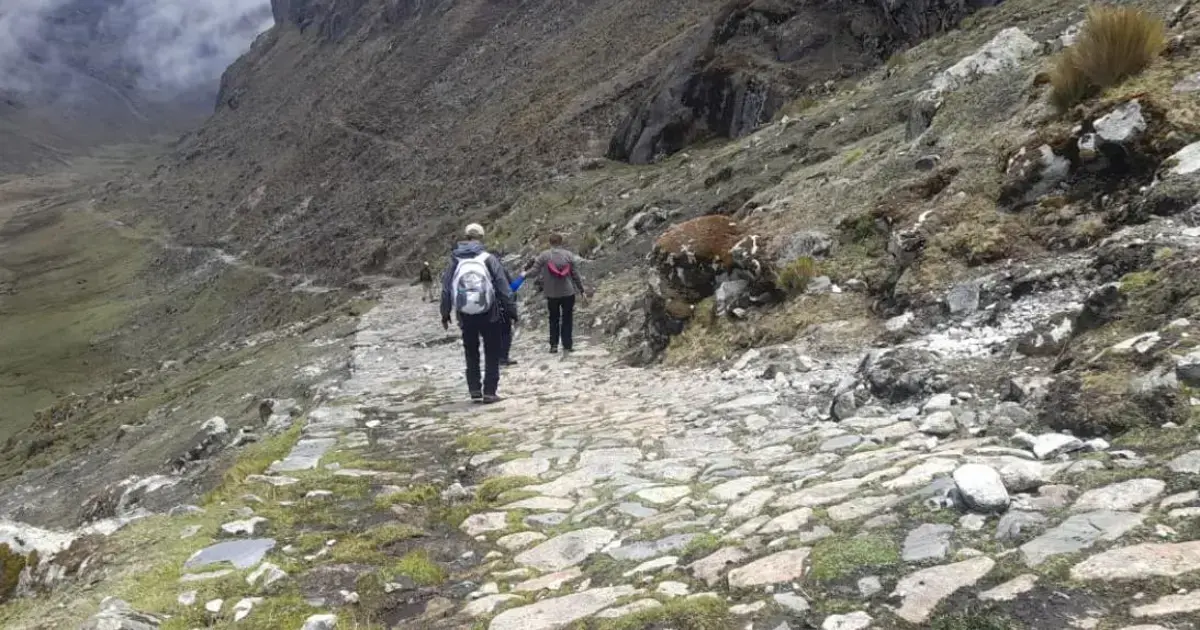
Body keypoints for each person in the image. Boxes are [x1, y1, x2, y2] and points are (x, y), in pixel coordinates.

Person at [440, 224, 518, 403]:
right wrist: (513, 312)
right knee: (492, 351)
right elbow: (503, 288)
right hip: (490, 313)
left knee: (471, 351)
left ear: (465, 237)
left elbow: (446, 290)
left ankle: (474, 389)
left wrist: (445, 314)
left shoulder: (455, 260)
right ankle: (490, 392)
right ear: (481, 238)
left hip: (465, 314)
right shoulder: (488, 258)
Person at [526, 233, 586, 354]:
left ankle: (553, 345)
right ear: (561, 242)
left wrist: (524, 274)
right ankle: (567, 345)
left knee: (553, 318)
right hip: (568, 292)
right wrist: (582, 290)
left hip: (551, 293)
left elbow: (534, 272)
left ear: (550, 242)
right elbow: (575, 275)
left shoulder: (544, 256)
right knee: (567, 318)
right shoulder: (569, 255)